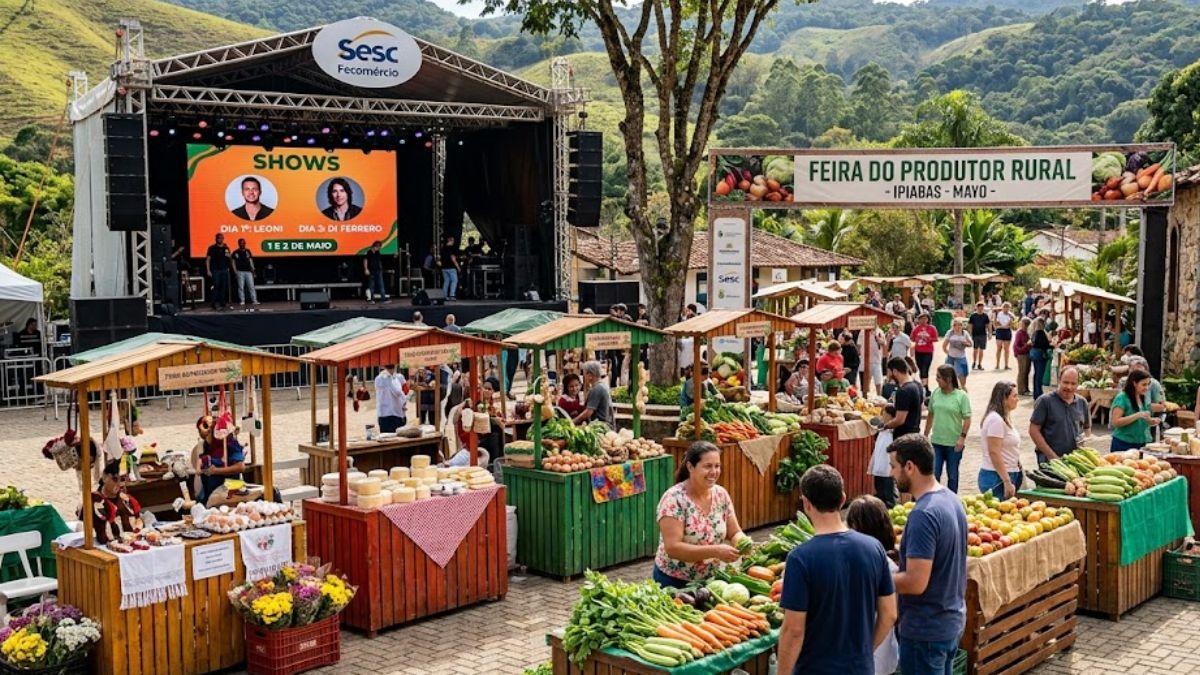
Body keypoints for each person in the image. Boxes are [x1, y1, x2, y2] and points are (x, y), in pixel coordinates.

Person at [777, 465, 897, 675]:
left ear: (806, 504)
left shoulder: (800, 558)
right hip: (861, 668)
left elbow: (793, 631)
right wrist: (866, 651)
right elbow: (889, 614)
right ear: (843, 499)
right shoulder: (874, 548)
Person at [889, 433, 968, 675]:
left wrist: (871, 577)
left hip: (926, 630)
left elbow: (916, 582)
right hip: (950, 621)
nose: (891, 474)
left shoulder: (923, 514)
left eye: (894, 466)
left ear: (910, 467)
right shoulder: (952, 500)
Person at [653, 442, 745, 588]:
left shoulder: (721, 494)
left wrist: (743, 543)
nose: (714, 472)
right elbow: (673, 548)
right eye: (708, 466)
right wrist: (716, 551)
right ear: (690, 467)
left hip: (711, 580)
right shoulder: (674, 499)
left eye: (717, 466)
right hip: (675, 581)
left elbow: (734, 532)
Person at [846, 495, 902, 675]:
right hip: (884, 657)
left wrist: (866, 651)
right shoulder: (891, 565)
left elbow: (889, 616)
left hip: (865, 658)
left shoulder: (855, 563)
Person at [1029, 366, 1091, 465]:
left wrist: (1085, 449)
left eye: (1073, 383)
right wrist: (1052, 457)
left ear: (1078, 384)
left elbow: (1087, 429)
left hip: (1075, 461)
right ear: (1059, 381)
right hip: (1049, 461)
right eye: (1066, 382)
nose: (1069, 387)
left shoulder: (1082, 402)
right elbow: (1033, 430)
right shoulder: (1045, 401)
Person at [924, 365, 972, 494]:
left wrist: (962, 438)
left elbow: (967, 419)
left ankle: (952, 502)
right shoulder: (935, 393)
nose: (937, 380)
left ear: (949, 379)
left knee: (952, 476)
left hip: (953, 444)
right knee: (934, 474)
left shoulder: (961, 396)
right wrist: (925, 435)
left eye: (939, 377)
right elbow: (930, 414)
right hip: (936, 442)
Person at [191, 415, 247, 506]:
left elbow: (240, 466)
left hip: (230, 491)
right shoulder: (206, 445)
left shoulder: (230, 443)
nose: (203, 436)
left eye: (207, 432)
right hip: (210, 492)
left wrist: (217, 471)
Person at [979, 382, 1022, 499]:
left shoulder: (1003, 418)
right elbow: (994, 452)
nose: (1017, 399)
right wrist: (1007, 481)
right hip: (997, 478)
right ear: (1004, 398)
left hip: (1005, 474)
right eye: (1014, 396)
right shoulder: (995, 420)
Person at [86, 460, 143, 545]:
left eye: (122, 480)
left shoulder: (127, 500)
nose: (119, 484)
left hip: (132, 546)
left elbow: (138, 521)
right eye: (115, 479)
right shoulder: (94, 501)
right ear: (105, 477)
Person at [1110, 370, 1159, 452]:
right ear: (1134, 383)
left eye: (1148, 384)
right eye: (1143, 384)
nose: (1146, 388)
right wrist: (1137, 415)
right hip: (1124, 444)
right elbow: (1115, 422)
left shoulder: (1143, 397)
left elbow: (1142, 417)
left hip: (1142, 443)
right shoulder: (1122, 398)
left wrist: (1150, 421)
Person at [884, 358, 923, 437]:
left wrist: (885, 426)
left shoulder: (903, 391)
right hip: (915, 433)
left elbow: (899, 420)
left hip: (903, 437)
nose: (888, 377)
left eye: (889, 373)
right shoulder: (918, 386)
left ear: (895, 372)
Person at [573, 360, 614, 428]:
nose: (584, 377)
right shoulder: (603, 386)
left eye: (585, 374)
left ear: (590, 375)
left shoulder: (597, 389)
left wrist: (573, 422)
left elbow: (588, 412)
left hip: (600, 427)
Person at [871, 405, 897, 508]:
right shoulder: (881, 427)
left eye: (886, 414)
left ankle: (890, 502)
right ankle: (880, 501)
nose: (883, 416)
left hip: (887, 460)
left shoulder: (892, 429)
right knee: (878, 480)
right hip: (879, 458)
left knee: (887, 481)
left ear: (891, 416)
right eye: (883, 414)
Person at [374, 364, 408, 433]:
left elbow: (404, 391)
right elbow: (398, 392)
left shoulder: (379, 378)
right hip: (390, 415)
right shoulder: (385, 378)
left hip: (390, 414)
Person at [911, 314, 939, 394]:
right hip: (918, 352)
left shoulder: (931, 328)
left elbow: (936, 338)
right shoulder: (916, 329)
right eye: (921, 319)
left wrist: (929, 338)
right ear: (918, 320)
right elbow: (912, 338)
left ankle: (925, 388)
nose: (923, 321)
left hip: (928, 352)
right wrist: (916, 339)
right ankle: (924, 386)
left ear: (928, 320)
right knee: (920, 370)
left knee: (925, 369)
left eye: (925, 319)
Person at [942, 319, 973, 390]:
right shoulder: (950, 333)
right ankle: (950, 389)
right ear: (952, 326)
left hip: (961, 357)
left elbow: (971, 344)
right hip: (951, 358)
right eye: (955, 325)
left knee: (963, 376)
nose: (957, 326)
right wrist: (948, 353)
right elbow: (944, 346)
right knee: (947, 374)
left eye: (960, 325)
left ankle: (962, 389)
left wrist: (966, 343)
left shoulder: (965, 333)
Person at [205, 233, 231, 310]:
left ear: (223, 239)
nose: (220, 239)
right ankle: (213, 303)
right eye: (218, 238)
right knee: (216, 286)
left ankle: (222, 302)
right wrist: (208, 270)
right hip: (215, 270)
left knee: (223, 287)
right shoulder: (212, 248)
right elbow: (208, 260)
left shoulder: (226, 248)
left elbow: (229, 258)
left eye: (221, 238)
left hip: (224, 270)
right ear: (216, 239)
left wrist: (229, 255)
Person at [230, 238, 258, 306]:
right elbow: (233, 262)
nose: (242, 244)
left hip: (248, 272)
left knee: (251, 286)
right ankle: (242, 300)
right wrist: (235, 271)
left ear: (245, 243)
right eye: (241, 243)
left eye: (243, 243)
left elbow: (250, 261)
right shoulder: (235, 252)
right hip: (240, 272)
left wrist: (253, 270)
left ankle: (254, 300)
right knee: (241, 287)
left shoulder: (248, 251)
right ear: (239, 244)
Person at [1029, 319, 1052, 399]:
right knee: (1039, 374)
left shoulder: (1034, 333)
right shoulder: (1041, 333)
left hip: (1034, 354)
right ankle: (1039, 393)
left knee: (1036, 373)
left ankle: (1036, 393)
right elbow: (1044, 345)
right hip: (1040, 354)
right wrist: (1050, 344)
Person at [860, 326, 886, 395]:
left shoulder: (880, 331)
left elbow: (883, 343)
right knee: (865, 382)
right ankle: (865, 398)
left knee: (878, 382)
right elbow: (859, 344)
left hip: (876, 361)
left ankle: (879, 397)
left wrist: (877, 338)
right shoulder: (863, 331)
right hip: (864, 360)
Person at [967, 303, 990, 371]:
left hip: (983, 334)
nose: (980, 309)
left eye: (982, 308)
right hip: (975, 334)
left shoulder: (985, 316)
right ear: (977, 308)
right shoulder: (973, 316)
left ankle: (980, 364)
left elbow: (988, 324)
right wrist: (969, 334)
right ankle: (974, 362)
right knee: (975, 349)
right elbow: (970, 325)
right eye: (979, 307)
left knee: (981, 350)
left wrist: (990, 333)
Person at [1013, 318, 1032, 396]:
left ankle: (1026, 388)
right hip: (1021, 354)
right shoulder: (1019, 333)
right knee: (1022, 372)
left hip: (1027, 353)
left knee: (1027, 371)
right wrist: (1026, 346)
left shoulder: (1027, 333)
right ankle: (1021, 390)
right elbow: (1016, 346)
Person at [993, 302, 1014, 370]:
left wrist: (1006, 325)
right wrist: (1001, 326)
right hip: (1000, 331)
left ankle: (1006, 365)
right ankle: (997, 364)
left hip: (1007, 331)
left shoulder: (1010, 315)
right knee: (999, 348)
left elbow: (1011, 323)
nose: (1006, 308)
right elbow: (996, 323)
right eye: (1005, 307)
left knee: (1006, 349)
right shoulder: (999, 314)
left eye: (1007, 307)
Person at [440, 236, 461, 301]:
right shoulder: (451, 248)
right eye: (453, 241)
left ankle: (444, 296)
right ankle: (452, 295)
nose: (453, 242)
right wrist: (458, 267)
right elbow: (453, 258)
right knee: (454, 281)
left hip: (444, 267)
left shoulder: (442, 248)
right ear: (451, 241)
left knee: (446, 281)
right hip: (451, 267)